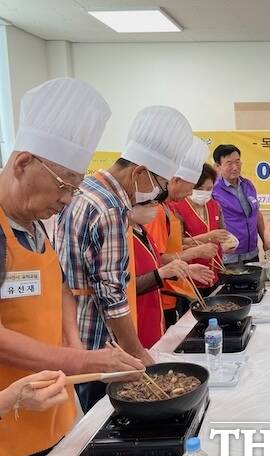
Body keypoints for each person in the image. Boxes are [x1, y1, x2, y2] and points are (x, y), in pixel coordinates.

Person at [0, 78, 143, 456]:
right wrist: (80, 358)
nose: (65, 201)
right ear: (23, 162)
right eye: (64, 186)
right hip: (9, 427)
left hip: (52, 411)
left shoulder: (32, 218)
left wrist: (73, 342)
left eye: (74, 189)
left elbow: (58, 284)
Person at [56, 105, 193, 413]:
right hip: (97, 345)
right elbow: (111, 294)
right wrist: (138, 355)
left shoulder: (87, 188)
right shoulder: (111, 207)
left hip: (72, 336)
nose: (155, 195)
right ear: (140, 173)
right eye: (158, 186)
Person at [145, 137, 219, 325]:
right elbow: (157, 258)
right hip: (162, 295)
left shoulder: (168, 207)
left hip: (176, 288)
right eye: (192, 187)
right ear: (176, 180)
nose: (190, 194)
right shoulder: (157, 211)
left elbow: (174, 243)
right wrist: (195, 252)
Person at [129, 204, 194, 348]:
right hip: (136, 317)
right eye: (149, 204)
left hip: (154, 311)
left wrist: (187, 269)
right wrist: (162, 273)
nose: (154, 208)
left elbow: (154, 264)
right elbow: (125, 287)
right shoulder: (124, 237)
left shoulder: (142, 231)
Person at [171, 163, 230, 296]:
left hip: (215, 273)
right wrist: (207, 237)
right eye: (200, 188)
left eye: (209, 189)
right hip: (189, 276)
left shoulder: (215, 205)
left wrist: (228, 243)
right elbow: (177, 243)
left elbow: (223, 233)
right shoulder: (177, 208)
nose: (204, 193)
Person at [213, 144, 265, 264]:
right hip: (228, 257)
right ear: (218, 166)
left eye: (237, 162)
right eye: (229, 163)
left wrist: (265, 240)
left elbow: (256, 214)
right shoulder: (213, 191)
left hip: (252, 253)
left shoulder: (248, 185)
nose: (235, 167)